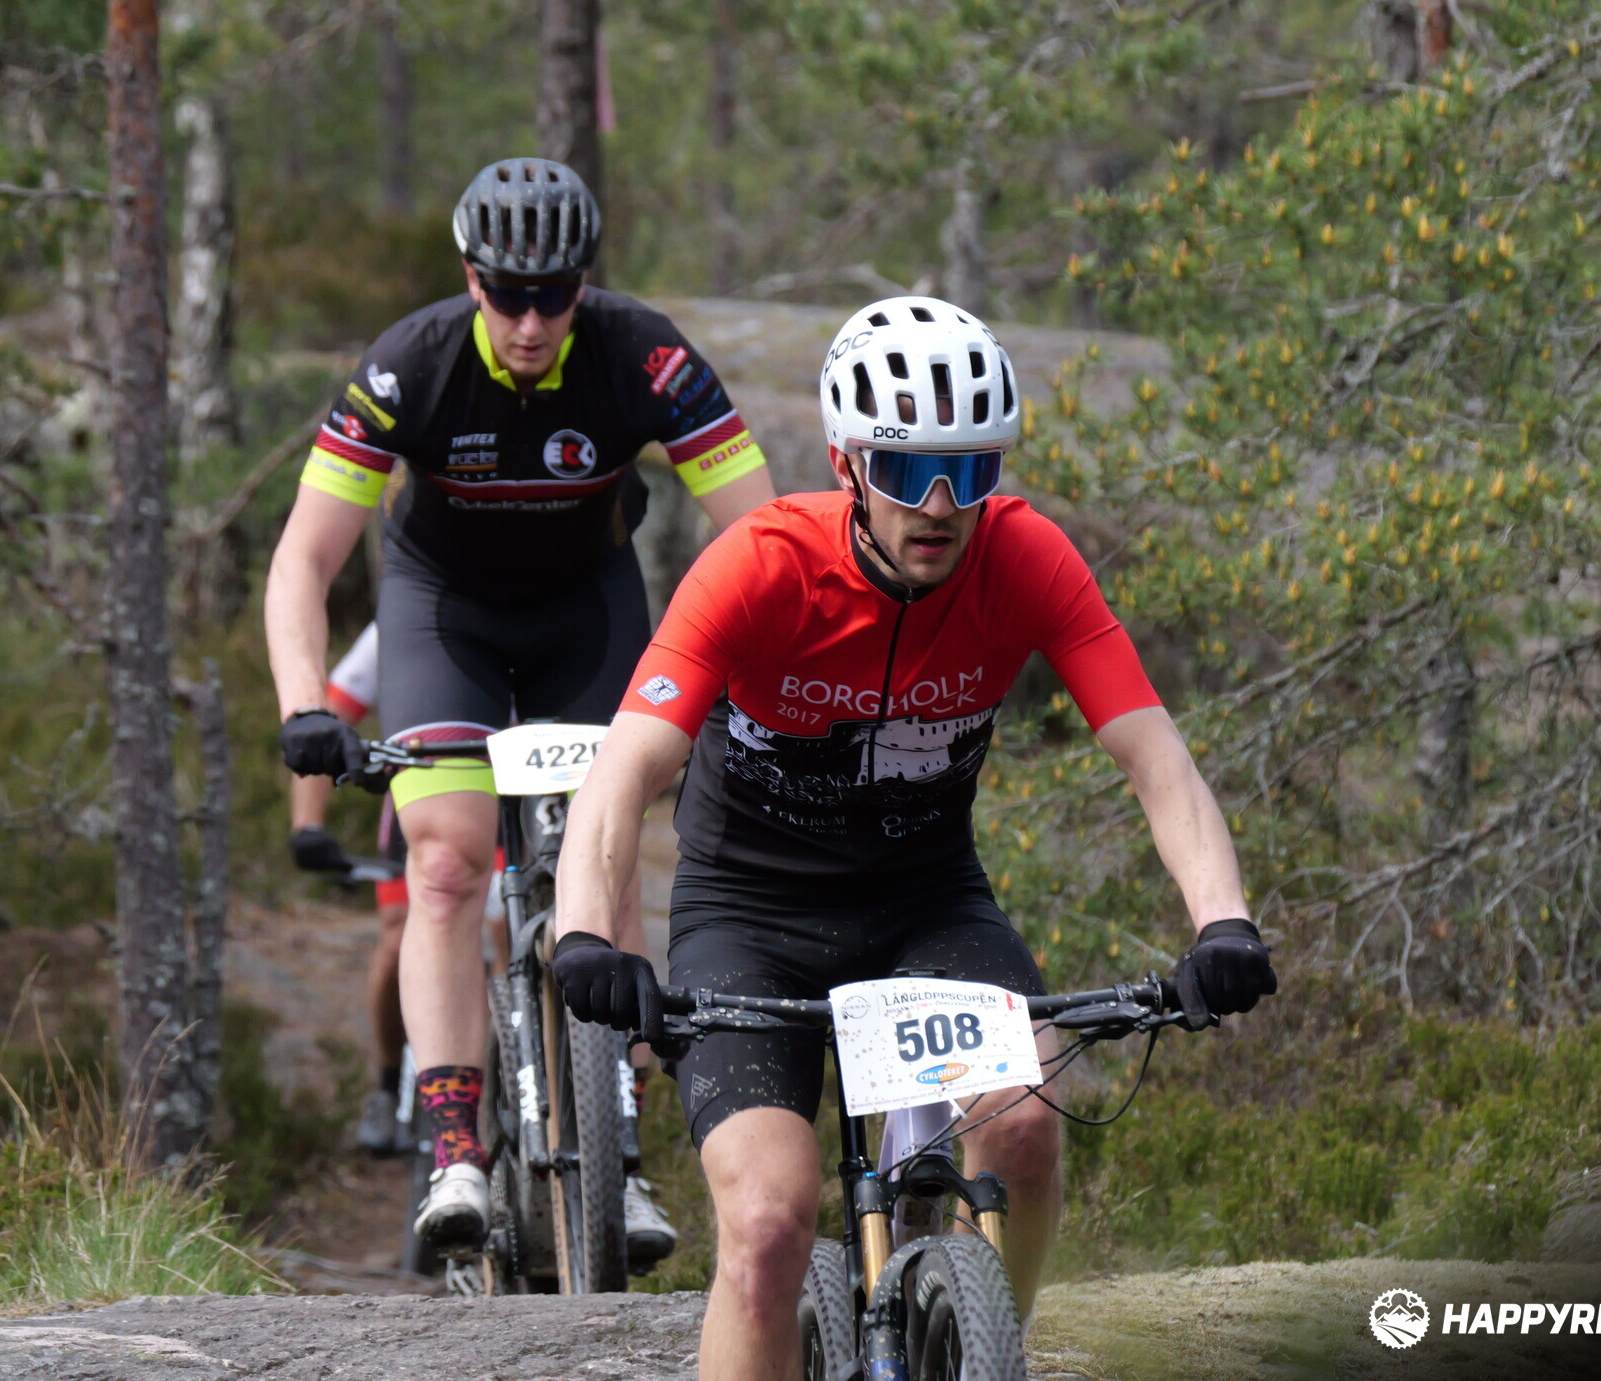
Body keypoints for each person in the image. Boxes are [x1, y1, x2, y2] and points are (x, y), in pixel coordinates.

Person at [548, 297, 1276, 1381]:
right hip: (749, 916)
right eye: (906, 471)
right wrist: (584, 936)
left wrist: (1223, 921)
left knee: (1021, 1128)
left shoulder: (1026, 559)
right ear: (846, 463)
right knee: (768, 1224)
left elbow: (1155, 759)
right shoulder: (760, 563)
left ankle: (983, 1349)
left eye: (968, 473)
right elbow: (624, 771)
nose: (939, 506)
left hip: (928, 905)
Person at [266, 158, 777, 1264]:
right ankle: (454, 1147)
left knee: (608, 850)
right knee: (447, 864)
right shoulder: (410, 364)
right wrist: (304, 702)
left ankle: (621, 1154)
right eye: (508, 294)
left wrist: (767, 684)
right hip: (442, 615)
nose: (533, 320)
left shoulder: (643, 352)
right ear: (472, 279)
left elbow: (761, 537)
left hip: (586, 612)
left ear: (584, 284)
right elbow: (303, 558)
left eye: (555, 294)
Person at [283, 622, 412, 1157]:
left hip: (522, 805)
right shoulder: (399, 621)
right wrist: (308, 826)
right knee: (399, 939)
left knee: (507, 933)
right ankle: (388, 1083)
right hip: (427, 797)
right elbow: (330, 717)